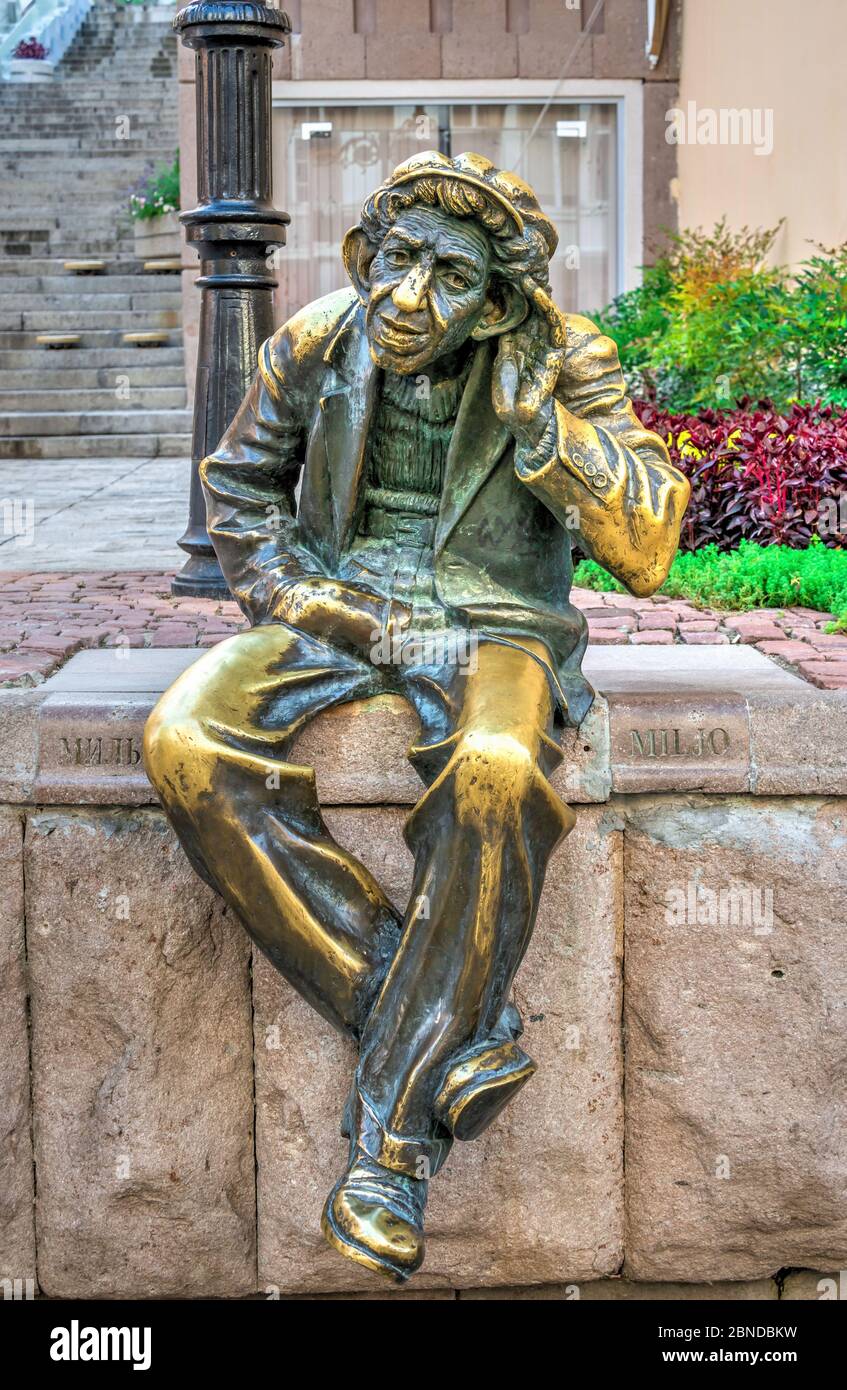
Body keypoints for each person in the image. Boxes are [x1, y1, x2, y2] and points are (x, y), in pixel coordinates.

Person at [144, 151, 690, 1282]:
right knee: (184, 743)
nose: (407, 296)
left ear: (495, 298)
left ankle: (390, 1147)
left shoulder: (559, 358)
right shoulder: (315, 340)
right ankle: (450, 1036)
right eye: (396, 259)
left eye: (447, 276)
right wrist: (306, 599)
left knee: (496, 771)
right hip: (335, 605)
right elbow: (241, 492)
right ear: (364, 256)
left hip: (490, 622)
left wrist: (551, 438)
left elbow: (646, 547)